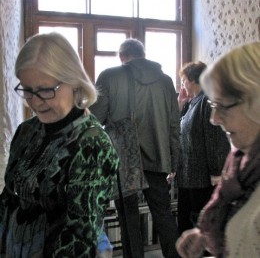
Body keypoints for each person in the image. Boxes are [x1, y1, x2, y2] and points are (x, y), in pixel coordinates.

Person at [0, 32, 119, 257]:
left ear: (74, 82)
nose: (35, 102)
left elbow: (81, 236)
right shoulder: (27, 131)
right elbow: (9, 198)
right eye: (27, 90)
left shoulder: (91, 144)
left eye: (45, 90)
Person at [90, 38, 180, 258]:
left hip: (124, 161)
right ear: (143, 53)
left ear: (122, 56)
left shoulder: (109, 76)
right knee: (164, 216)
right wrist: (173, 161)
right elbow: (173, 125)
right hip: (158, 158)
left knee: (128, 219)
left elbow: (95, 120)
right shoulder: (166, 80)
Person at [176, 42, 260, 258]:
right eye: (214, 106)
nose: (214, 119)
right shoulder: (240, 161)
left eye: (222, 106)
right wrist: (204, 236)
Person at [176, 61, 230, 236]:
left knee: (201, 228)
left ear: (192, 80)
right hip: (189, 176)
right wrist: (181, 106)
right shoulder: (193, 103)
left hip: (202, 180)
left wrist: (216, 173)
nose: (182, 85)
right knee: (186, 226)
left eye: (183, 81)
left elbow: (214, 140)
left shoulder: (207, 102)